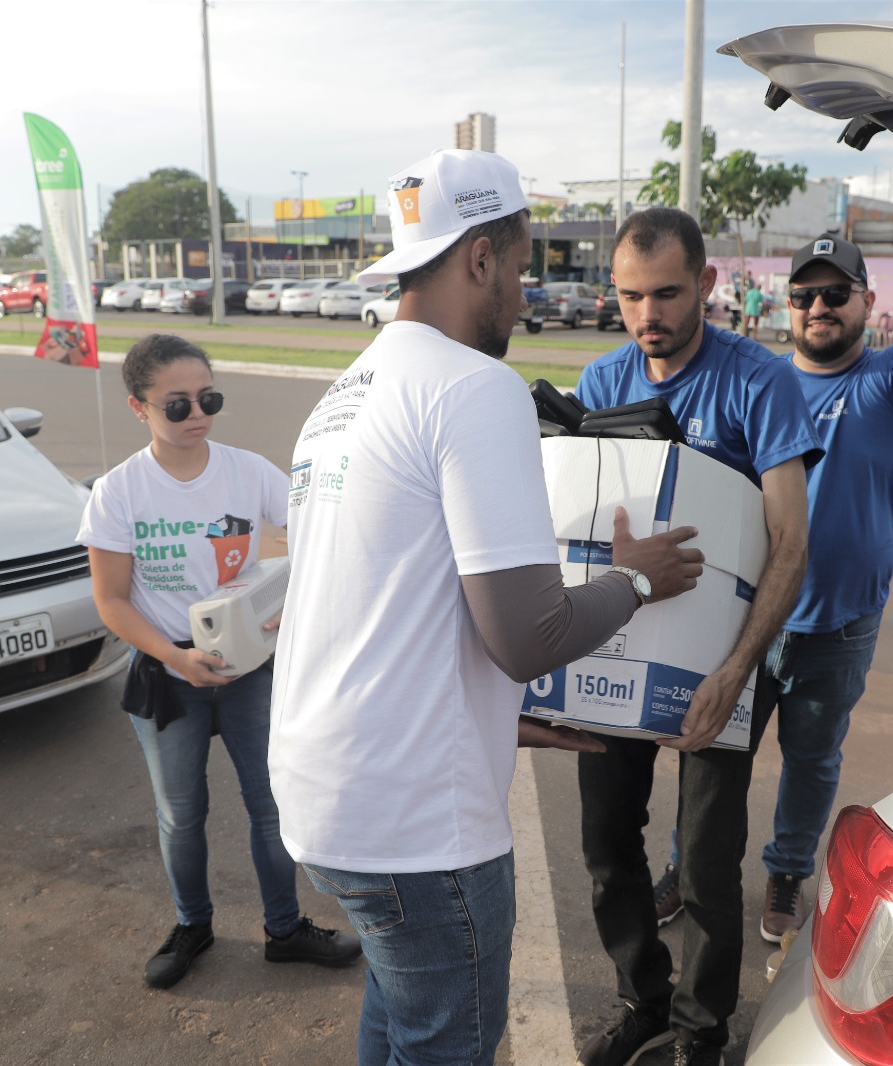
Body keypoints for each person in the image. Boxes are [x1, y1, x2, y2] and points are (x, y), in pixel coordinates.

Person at [265, 150, 703, 1066]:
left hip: (326, 791)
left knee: (398, 1010)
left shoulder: (342, 399)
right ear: (480, 259)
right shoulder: (474, 389)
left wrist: (500, 719)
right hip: (417, 828)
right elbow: (530, 635)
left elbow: (383, 606)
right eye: (521, 262)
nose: (524, 286)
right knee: (447, 1042)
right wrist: (636, 580)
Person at [572, 207, 820, 1066]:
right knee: (607, 847)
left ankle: (700, 1031)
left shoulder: (761, 383)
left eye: (669, 293)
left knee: (710, 867)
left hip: (724, 664)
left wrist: (736, 672)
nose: (650, 315)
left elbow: (792, 542)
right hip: (619, 652)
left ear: (708, 285)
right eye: (632, 295)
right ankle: (642, 1000)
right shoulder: (601, 383)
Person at [78, 333, 361, 990]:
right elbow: (112, 602)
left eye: (209, 397)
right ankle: (193, 924)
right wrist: (174, 656)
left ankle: (285, 930)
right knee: (181, 813)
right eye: (176, 404)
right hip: (167, 678)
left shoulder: (247, 471)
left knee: (270, 805)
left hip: (248, 673)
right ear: (137, 407)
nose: (197, 413)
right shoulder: (119, 493)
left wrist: (289, 601)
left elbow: (314, 530)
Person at [750, 142, 893, 943]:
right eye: (804, 294)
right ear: (789, 306)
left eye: (834, 293)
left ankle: (785, 874)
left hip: (840, 626)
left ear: (864, 301)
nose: (818, 307)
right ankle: (691, 865)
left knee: (812, 763)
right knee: (716, 762)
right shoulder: (760, 382)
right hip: (750, 618)